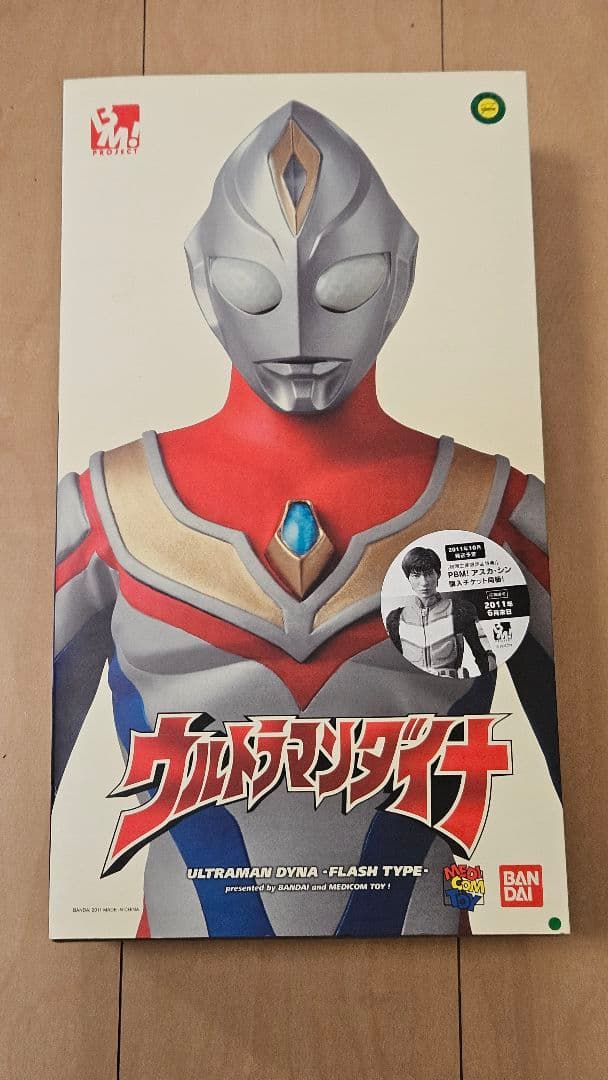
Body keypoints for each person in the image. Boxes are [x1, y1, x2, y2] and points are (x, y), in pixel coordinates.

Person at [53, 101, 560, 938]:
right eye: (254, 290)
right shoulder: (108, 511)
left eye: (344, 286)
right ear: (203, 277)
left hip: (442, 987)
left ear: (399, 273)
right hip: (164, 992)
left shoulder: (497, 514)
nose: (297, 331)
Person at [386, 547, 496, 678]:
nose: (424, 582)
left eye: (429, 574)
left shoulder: (459, 610)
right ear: (408, 578)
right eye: (416, 575)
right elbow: (393, 666)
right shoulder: (396, 618)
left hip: (450, 685)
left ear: (438, 574)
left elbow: (483, 657)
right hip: (414, 685)